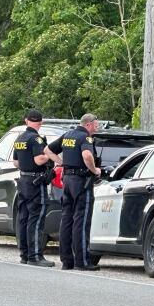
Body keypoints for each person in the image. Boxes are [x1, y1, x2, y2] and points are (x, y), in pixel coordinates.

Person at [44, 114, 101, 271]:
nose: (96, 128)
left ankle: (67, 261)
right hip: (82, 182)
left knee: (67, 220)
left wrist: (62, 163)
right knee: (81, 221)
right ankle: (81, 261)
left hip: (67, 181)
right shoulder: (85, 138)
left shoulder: (67, 135)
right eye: (96, 125)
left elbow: (47, 150)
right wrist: (95, 169)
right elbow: (87, 155)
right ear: (88, 124)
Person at [12, 109, 55, 267]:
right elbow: (39, 160)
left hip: (23, 181)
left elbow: (15, 162)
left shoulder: (20, 138)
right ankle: (35, 256)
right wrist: (52, 156)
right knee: (36, 219)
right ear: (41, 122)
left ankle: (24, 254)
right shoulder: (36, 139)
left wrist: (26, 162)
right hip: (36, 183)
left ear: (26, 121)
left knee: (23, 219)